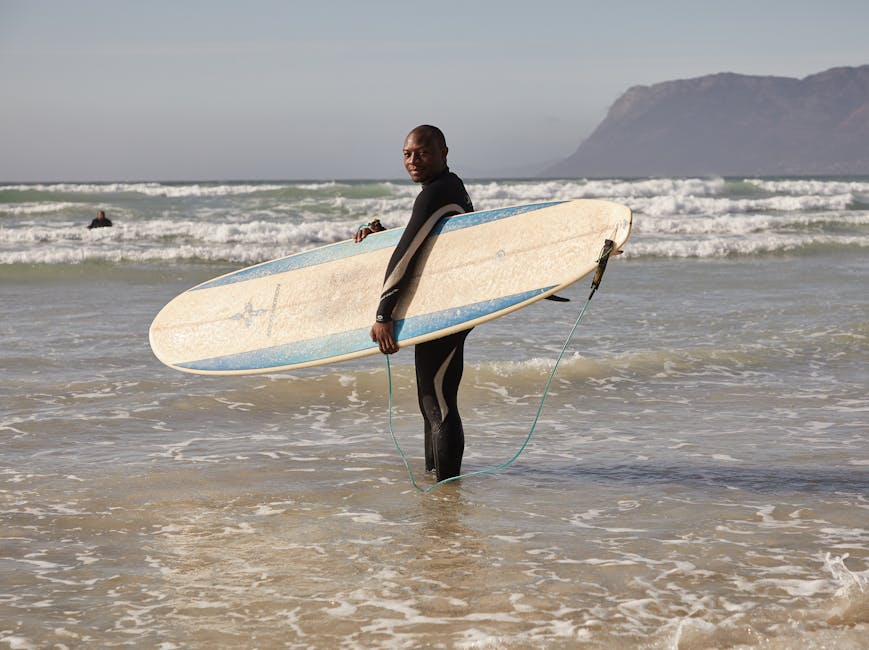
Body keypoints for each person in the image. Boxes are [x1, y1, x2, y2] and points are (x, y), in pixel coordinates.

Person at [356, 125, 474, 481]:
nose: (413, 160)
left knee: (436, 400)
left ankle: (447, 492)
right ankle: (435, 480)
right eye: (407, 154)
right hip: (447, 305)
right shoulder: (447, 188)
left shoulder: (435, 193)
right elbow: (427, 244)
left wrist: (383, 314)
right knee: (432, 400)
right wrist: (383, 236)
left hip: (447, 309)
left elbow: (406, 256)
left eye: (422, 153)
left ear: (444, 153)